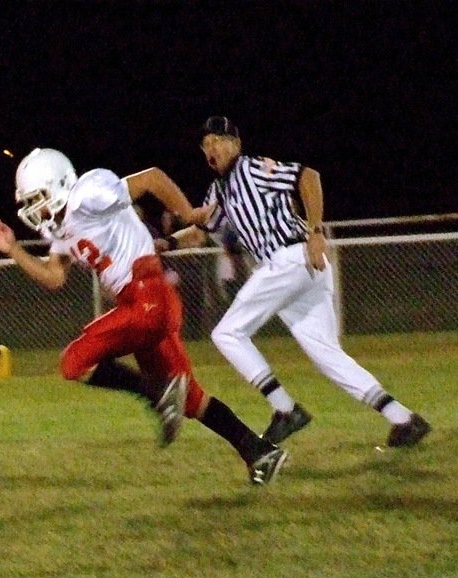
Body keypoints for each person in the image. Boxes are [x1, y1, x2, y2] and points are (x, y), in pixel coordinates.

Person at [0, 148, 288, 486]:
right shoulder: (61, 229)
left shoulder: (87, 193)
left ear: (60, 183)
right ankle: (259, 451)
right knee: (190, 399)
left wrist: (189, 214)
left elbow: (152, 177)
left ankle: (155, 391)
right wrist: (12, 250)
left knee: (74, 362)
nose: (34, 208)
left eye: (37, 197)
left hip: (148, 297)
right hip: (142, 306)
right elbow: (54, 277)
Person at [166, 116, 430, 447]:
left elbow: (308, 176)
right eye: (205, 144)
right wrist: (167, 244)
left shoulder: (250, 168)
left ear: (236, 143)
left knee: (227, 333)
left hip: (290, 259)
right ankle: (404, 419)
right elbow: (201, 231)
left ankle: (285, 409)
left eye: (218, 140)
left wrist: (317, 232)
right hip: (299, 270)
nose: (211, 149)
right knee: (326, 355)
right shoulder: (220, 190)